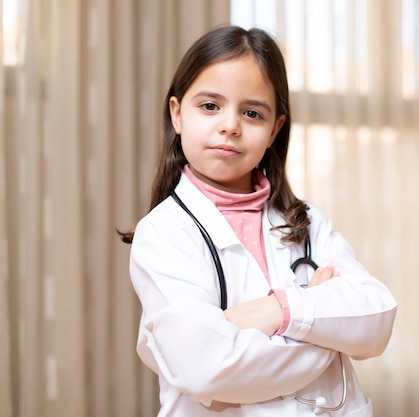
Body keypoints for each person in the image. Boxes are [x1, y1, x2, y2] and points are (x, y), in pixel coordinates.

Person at [120, 25, 397, 417]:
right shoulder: (164, 234)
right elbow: (206, 368)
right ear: (177, 114)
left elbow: (376, 319)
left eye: (251, 113)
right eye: (210, 106)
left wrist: (278, 311)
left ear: (274, 130)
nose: (230, 125)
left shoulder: (307, 223)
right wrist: (326, 331)